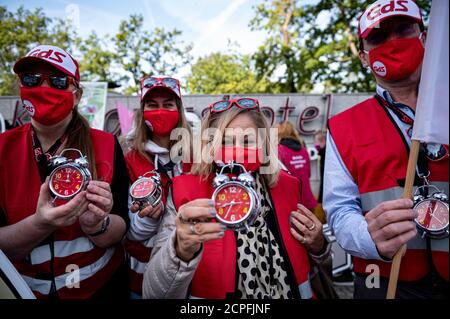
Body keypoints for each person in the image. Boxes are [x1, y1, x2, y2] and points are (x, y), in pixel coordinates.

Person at [142, 98, 330, 299]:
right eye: (224, 141)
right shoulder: (184, 193)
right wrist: (179, 250)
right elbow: (152, 293)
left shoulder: (288, 186)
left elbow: (321, 262)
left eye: (248, 141)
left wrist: (320, 246)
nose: (238, 150)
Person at [324, 0, 448, 299]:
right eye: (379, 37)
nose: (393, 43)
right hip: (383, 279)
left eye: (403, 29)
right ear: (364, 57)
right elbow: (339, 209)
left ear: (425, 36)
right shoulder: (343, 126)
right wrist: (370, 238)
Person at [0, 45, 130, 299]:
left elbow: (122, 224)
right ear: (20, 86)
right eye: (32, 79)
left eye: (58, 81)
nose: (44, 88)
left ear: (77, 95)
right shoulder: (2, 148)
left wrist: (97, 225)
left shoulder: (105, 144)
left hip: (98, 289)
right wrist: (40, 224)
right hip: (23, 291)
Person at [123, 76, 192, 298]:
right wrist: (150, 216)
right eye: (152, 105)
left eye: (168, 104)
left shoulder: (198, 156)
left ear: (179, 110)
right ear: (142, 112)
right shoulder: (129, 159)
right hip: (142, 276)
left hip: (192, 272)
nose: (160, 111)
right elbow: (131, 232)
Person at [277, 121, 317, 211]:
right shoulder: (303, 150)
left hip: (291, 203)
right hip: (307, 200)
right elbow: (308, 174)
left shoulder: (279, 150)